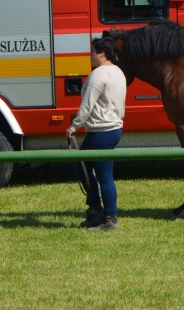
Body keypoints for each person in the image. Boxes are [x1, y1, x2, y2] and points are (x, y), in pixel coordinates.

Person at [66, 36, 126, 231]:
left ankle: (109, 219)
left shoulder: (98, 74)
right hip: (109, 130)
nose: (90, 55)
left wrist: (73, 126)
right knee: (82, 165)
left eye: (93, 51)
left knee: (104, 176)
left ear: (101, 53)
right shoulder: (118, 72)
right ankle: (95, 210)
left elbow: (87, 105)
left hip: (101, 131)